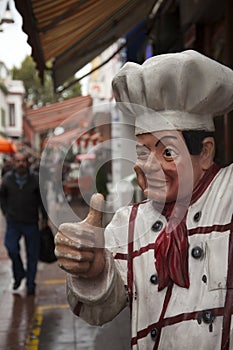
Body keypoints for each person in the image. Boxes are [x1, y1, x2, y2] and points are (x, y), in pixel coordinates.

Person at [54, 50, 233, 349]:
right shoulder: (130, 223)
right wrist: (94, 269)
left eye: (166, 152)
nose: (148, 166)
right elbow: (99, 310)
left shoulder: (228, 195)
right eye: (141, 152)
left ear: (205, 153)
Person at [0, 151, 48, 295]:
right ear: (13, 163)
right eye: (18, 161)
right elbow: (2, 197)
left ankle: (30, 283)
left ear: (27, 163)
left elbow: (43, 201)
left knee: (32, 254)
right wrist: (5, 212)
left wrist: (44, 219)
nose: (20, 164)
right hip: (13, 222)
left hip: (31, 222)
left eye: (23, 161)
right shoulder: (7, 179)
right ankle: (19, 273)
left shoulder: (35, 180)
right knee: (12, 249)